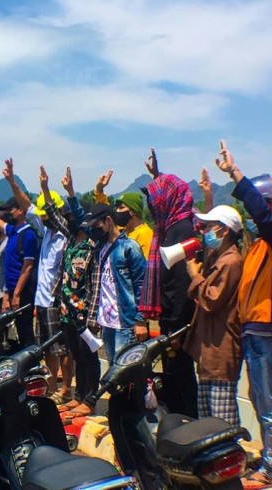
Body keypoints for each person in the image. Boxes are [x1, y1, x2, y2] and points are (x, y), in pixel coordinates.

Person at [215, 141, 272, 487]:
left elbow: (262, 217)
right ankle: (269, 458)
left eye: (263, 205)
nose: (255, 212)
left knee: (270, 403)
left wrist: (235, 173)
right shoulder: (261, 245)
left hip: (268, 334)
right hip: (255, 332)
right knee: (260, 399)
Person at [3, 159, 73, 402]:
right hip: (41, 300)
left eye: (47, 214)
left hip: (56, 300)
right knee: (46, 347)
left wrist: (45, 187)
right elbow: (27, 205)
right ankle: (52, 385)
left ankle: (66, 389)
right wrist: (12, 182)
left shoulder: (65, 235)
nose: (43, 218)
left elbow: (46, 211)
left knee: (62, 347)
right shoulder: (45, 234)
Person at [139, 149, 199, 418]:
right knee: (174, 376)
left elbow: (183, 285)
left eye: (156, 200)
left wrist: (175, 331)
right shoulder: (168, 229)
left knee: (181, 376)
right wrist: (157, 175)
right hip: (171, 322)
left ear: (169, 200)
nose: (153, 206)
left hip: (178, 324)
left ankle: (186, 423)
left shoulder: (182, 230)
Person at [183, 205, 244, 426]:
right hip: (211, 351)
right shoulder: (220, 260)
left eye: (209, 226)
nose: (204, 231)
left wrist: (195, 276)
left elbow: (211, 300)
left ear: (224, 231)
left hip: (221, 350)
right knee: (208, 418)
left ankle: (229, 457)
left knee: (221, 421)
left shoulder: (231, 262)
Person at [48, 166, 99, 418]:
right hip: (67, 310)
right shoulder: (71, 239)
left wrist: (70, 192)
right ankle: (79, 396)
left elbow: (77, 213)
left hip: (83, 311)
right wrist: (46, 189)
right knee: (77, 355)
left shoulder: (92, 243)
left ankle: (90, 398)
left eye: (73, 215)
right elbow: (53, 216)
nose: (68, 219)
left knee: (90, 357)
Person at [81, 199, 147, 366]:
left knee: (124, 372)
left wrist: (140, 320)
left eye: (96, 226)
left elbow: (142, 285)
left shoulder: (130, 247)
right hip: (106, 324)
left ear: (109, 221)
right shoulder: (100, 247)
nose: (94, 231)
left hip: (125, 324)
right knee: (113, 368)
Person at [0, 171, 38, 347]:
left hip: (23, 292)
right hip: (12, 291)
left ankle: (32, 370)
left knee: (25, 332)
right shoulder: (12, 231)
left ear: (21, 211)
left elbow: (28, 266)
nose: (7, 213)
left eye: (10, 210)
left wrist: (16, 294)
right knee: (14, 335)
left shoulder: (28, 234)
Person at [95, 172, 154, 257]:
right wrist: (99, 190)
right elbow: (105, 213)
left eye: (121, 208)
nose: (117, 211)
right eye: (117, 208)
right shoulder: (122, 230)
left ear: (133, 211)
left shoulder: (146, 235)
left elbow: (145, 267)